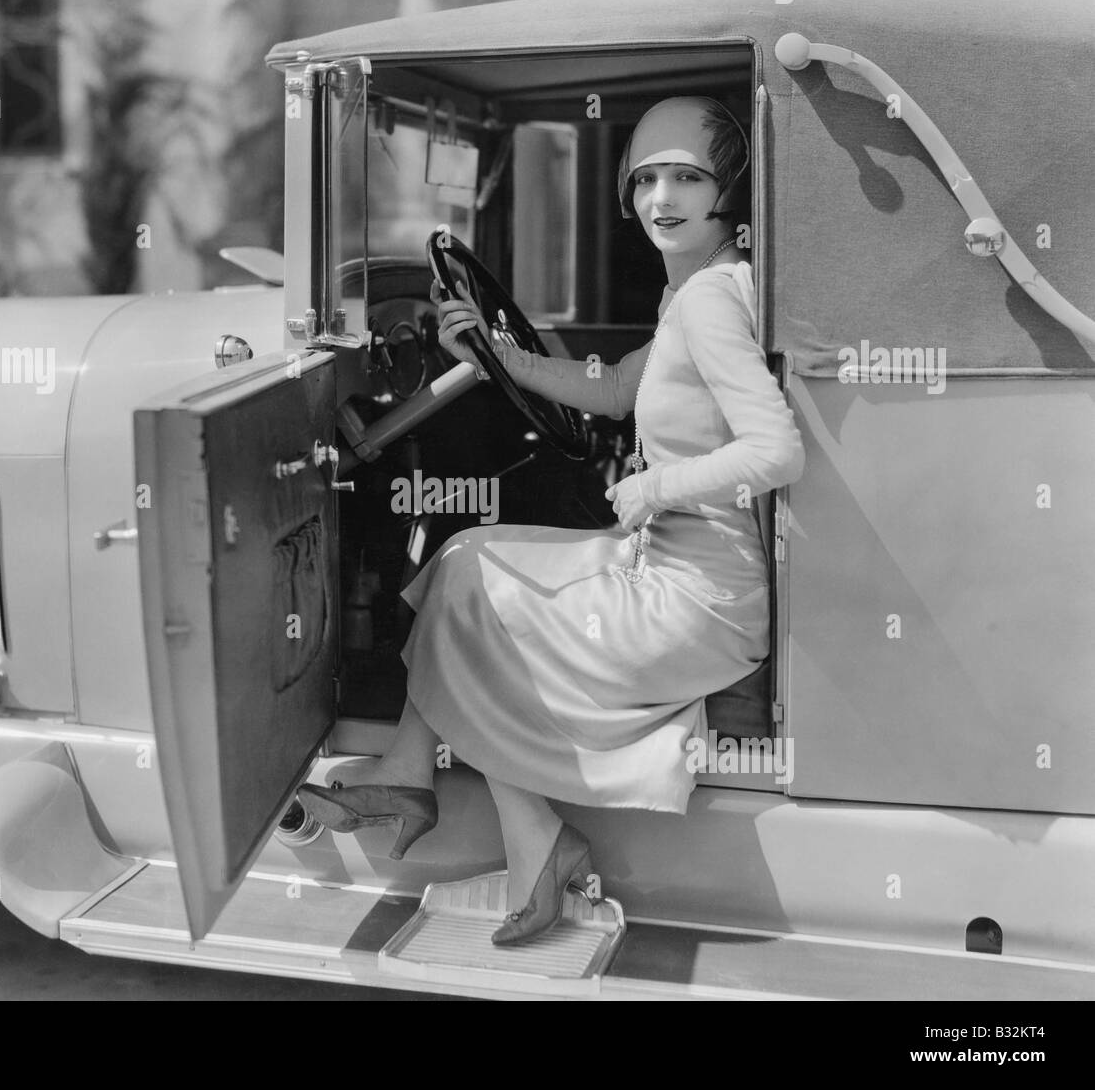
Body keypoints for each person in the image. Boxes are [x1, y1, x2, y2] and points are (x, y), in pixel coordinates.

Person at [299, 97, 805, 947]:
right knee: (462, 560)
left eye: (686, 177)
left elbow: (775, 448)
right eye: (644, 179)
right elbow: (613, 392)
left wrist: (657, 488)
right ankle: (414, 774)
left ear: (729, 192)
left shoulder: (714, 300)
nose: (659, 198)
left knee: (479, 604)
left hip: (700, 599)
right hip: (663, 564)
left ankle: (515, 831)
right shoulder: (697, 290)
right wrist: (493, 358)